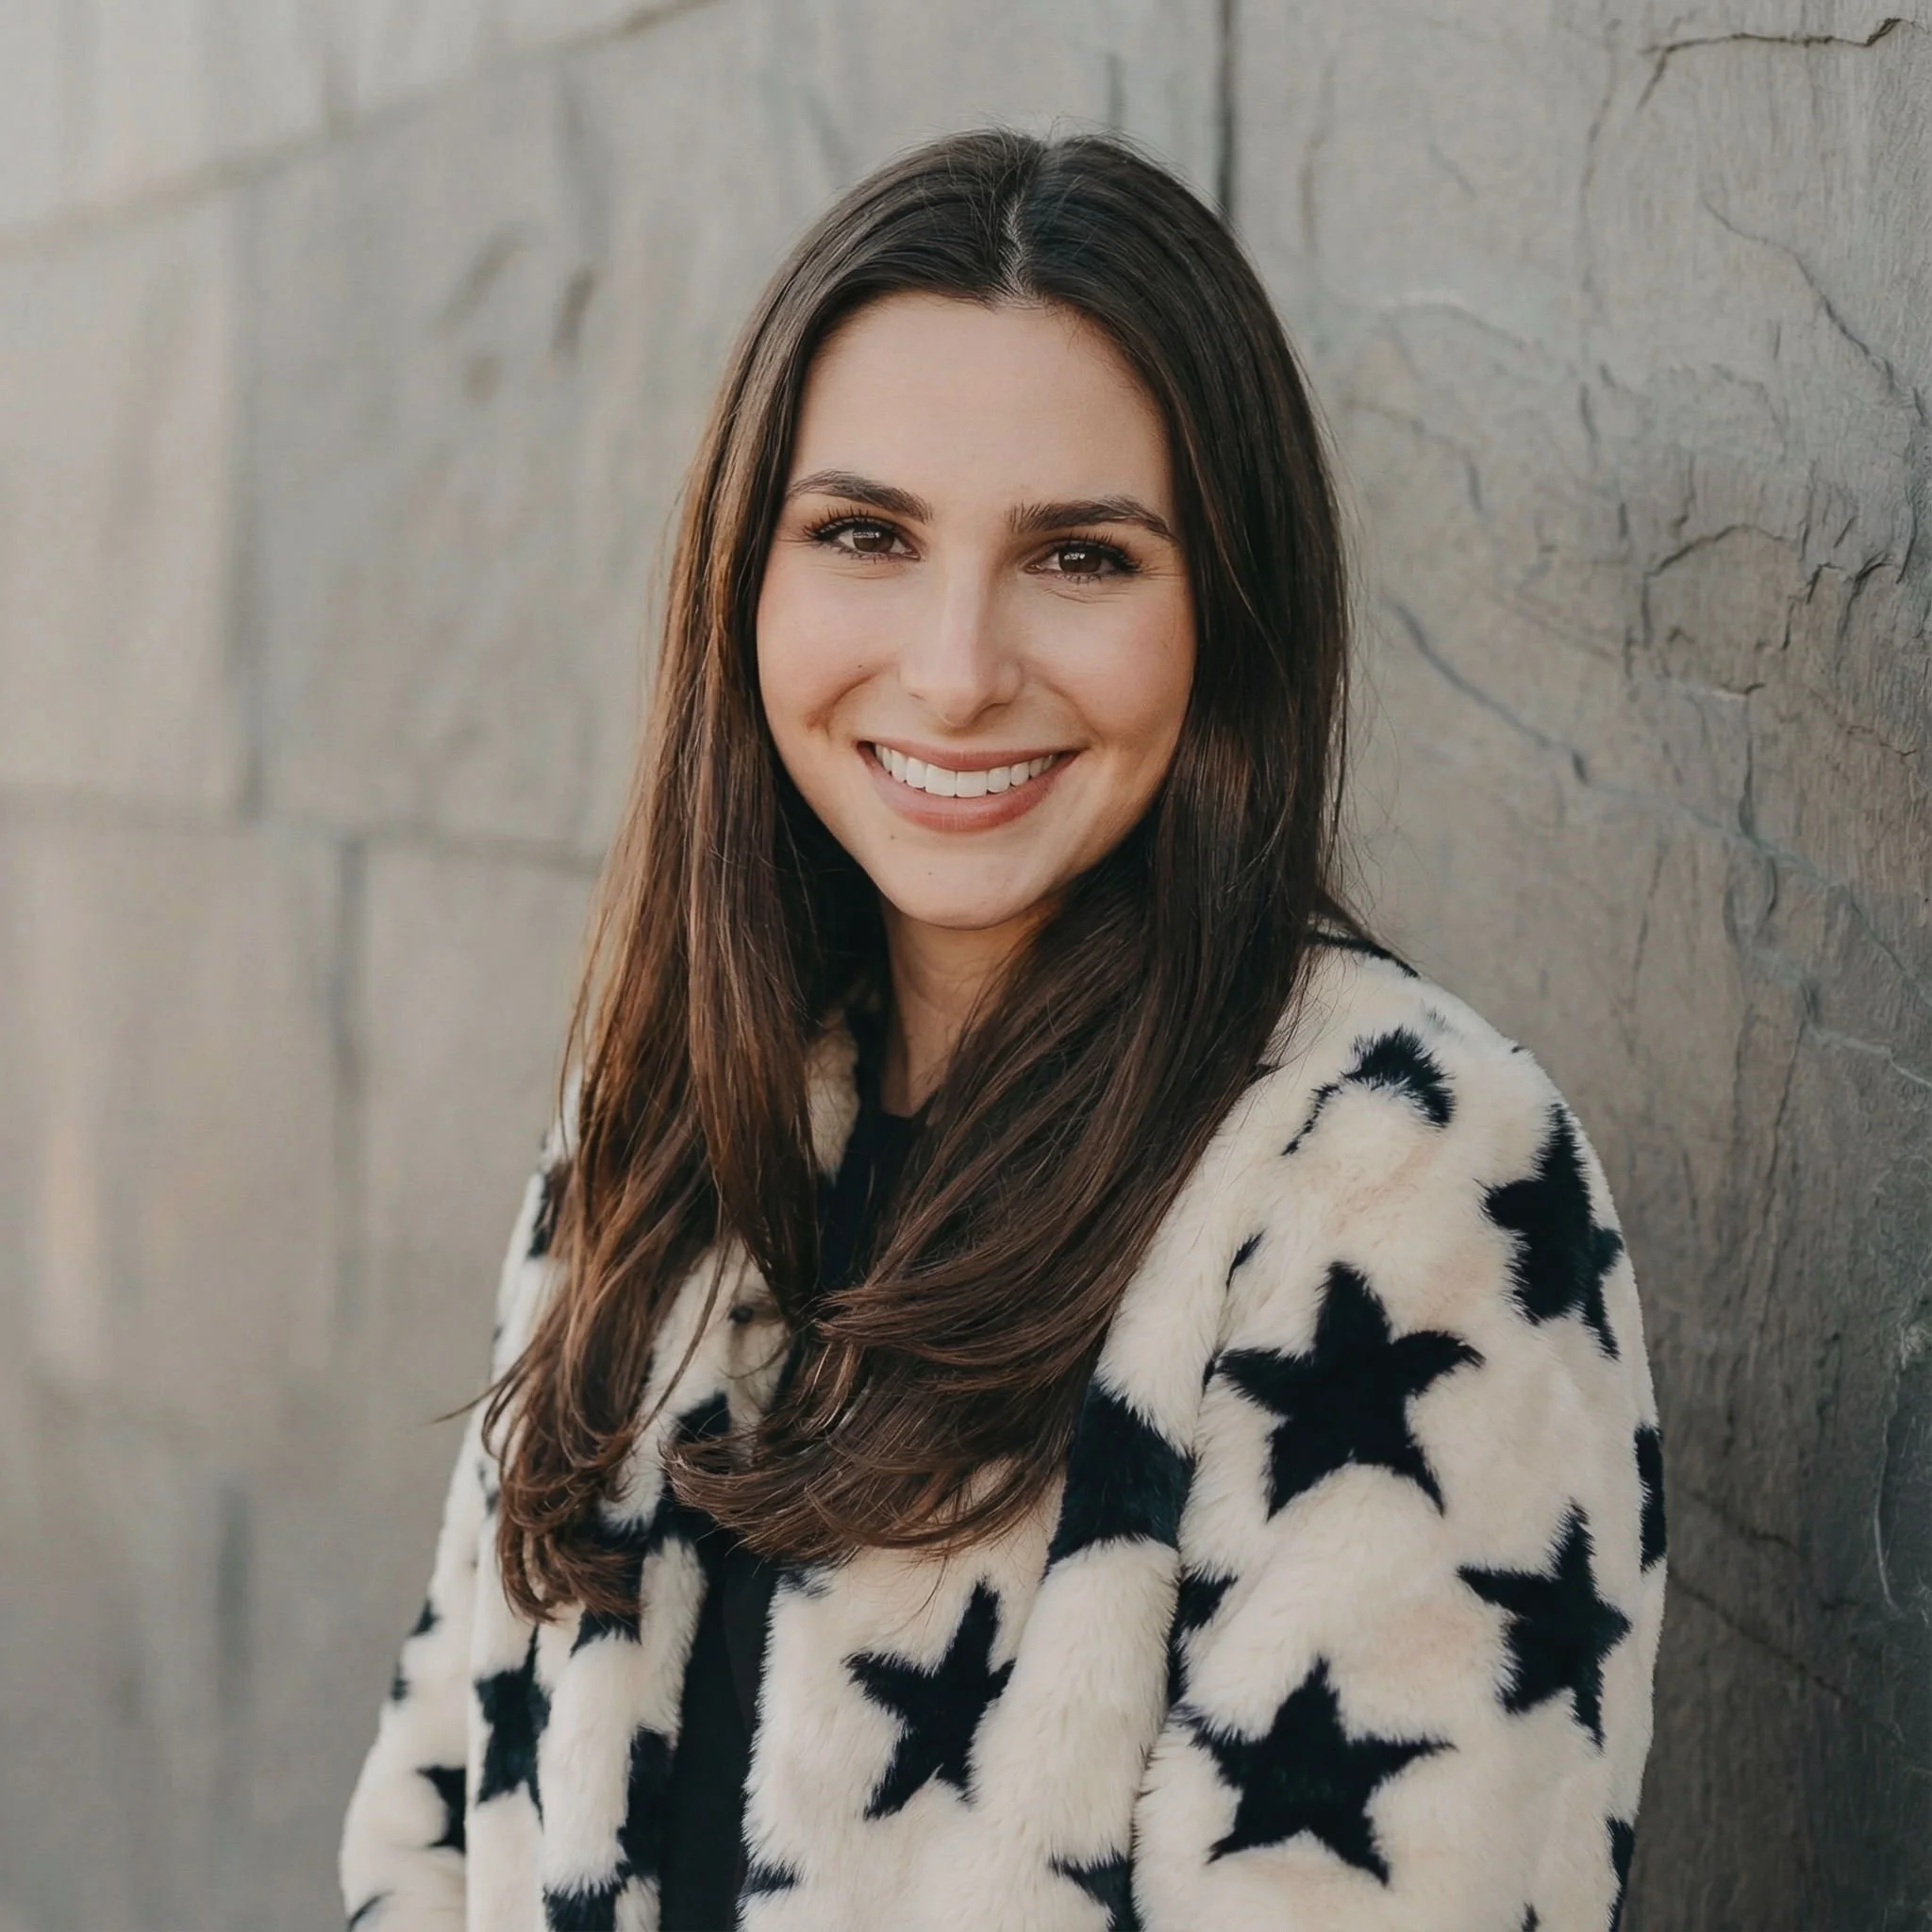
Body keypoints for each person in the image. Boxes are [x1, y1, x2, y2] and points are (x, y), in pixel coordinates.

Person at [341, 126, 1665, 1932]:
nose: (956, 668)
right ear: (747, 579)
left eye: (1082, 556)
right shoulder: (666, 1127)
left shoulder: (1404, 1177)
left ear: (1229, 612)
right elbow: (435, 1817)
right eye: (866, 534)